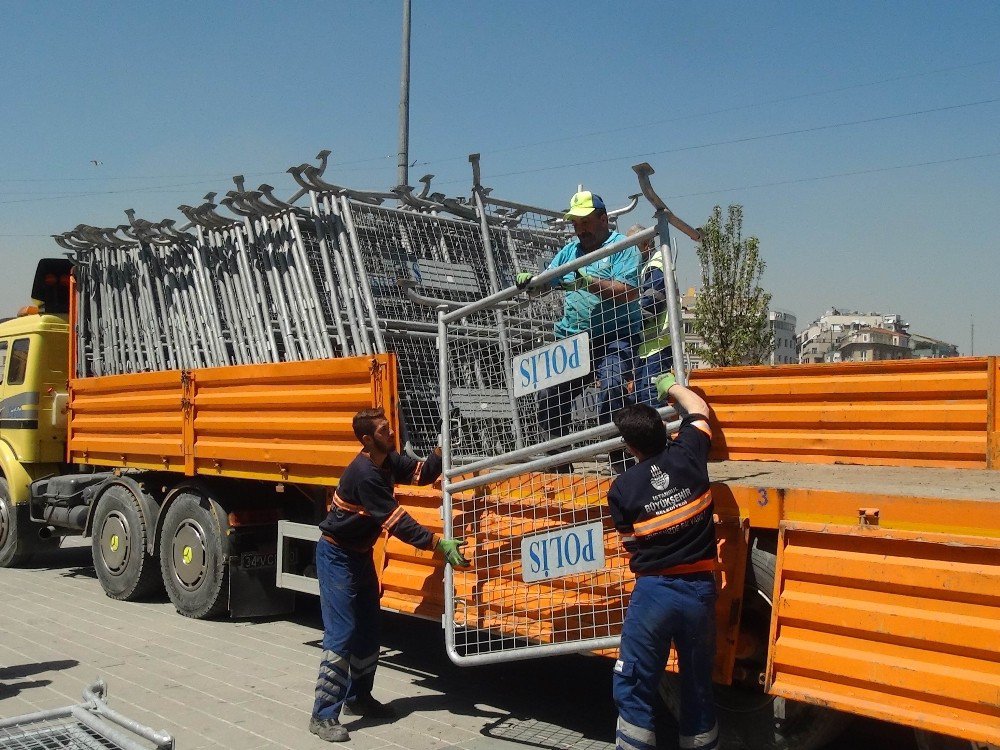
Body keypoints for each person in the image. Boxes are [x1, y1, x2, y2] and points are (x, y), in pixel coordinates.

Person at [309, 407, 470, 743]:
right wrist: (437, 543)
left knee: (369, 630)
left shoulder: (387, 460)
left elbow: (421, 474)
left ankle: (359, 698)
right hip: (336, 556)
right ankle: (323, 715)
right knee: (342, 634)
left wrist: (440, 448)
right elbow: (396, 521)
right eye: (383, 429)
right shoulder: (364, 473)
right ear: (368, 439)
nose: (391, 431)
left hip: (359, 555)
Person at [607, 374, 718, 750]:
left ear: (630, 447)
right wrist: (670, 385)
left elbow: (632, 547)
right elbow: (699, 409)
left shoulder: (622, 488)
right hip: (700, 590)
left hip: (654, 592)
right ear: (665, 429)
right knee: (698, 684)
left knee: (635, 681)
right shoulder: (689, 452)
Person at [516, 191, 642, 460]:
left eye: (585, 222)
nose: (579, 229)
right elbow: (546, 284)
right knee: (550, 396)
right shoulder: (570, 252)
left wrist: (589, 282)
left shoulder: (621, 247)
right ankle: (558, 461)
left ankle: (619, 460)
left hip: (614, 337)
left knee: (612, 387)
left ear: (604, 218)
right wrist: (532, 283)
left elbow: (629, 291)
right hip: (574, 341)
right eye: (575, 223)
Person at [626, 225, 674, 407]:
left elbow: (650, 304)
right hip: (649, 349)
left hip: (657, 349)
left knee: (651, 403)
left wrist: (627, 325)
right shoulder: (648, 266)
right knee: (642, 402)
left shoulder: (656, 264)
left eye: (632, 248)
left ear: (645, 244)